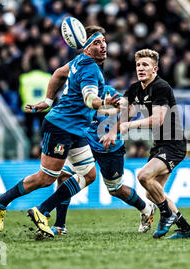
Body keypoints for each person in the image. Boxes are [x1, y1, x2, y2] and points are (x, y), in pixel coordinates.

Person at [0, 26, 120, 237]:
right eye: (97, 42)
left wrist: (48, 101)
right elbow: (89, 99)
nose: (103, 45)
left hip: (75, 129)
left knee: (88, 175)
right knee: (46, 178)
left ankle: (43, 211)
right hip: (60, 126)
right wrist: (106, 101)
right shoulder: (90, 69)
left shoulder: (79, 61)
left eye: (104, 41)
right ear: (86, 48)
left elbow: (59, 73)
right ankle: (2, 201)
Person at [50, 85, 157, 235]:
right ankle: (60, 225)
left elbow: (132, 109)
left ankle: (146, 208)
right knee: (64, 175)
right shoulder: (78, 93)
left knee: (115, 189)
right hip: (84, 143)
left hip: (109, 146)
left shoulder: (109, 92)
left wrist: (114, 131)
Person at [119, 48, 190, 239]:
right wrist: (108, 107)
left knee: (144, 176)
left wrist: (129, 125)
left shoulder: (162, 87)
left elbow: (158, 119)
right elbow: (123, 113)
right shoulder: (135, 89)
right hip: (159, 145)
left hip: (174, 144)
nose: (140, 68)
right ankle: (186, 229)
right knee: (151, 194)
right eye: (138, 65)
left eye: (145, 65)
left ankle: (166, 215)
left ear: (155, 69)